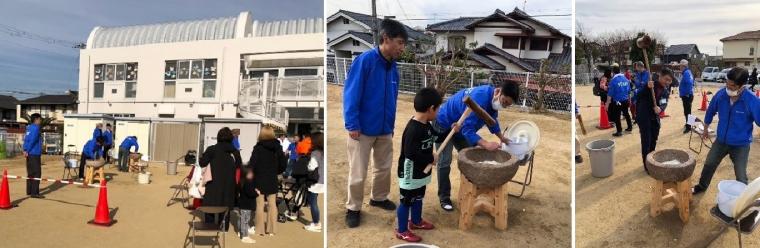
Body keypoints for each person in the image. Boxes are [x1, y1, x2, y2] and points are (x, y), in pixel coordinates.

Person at [343, 18, 407, 228]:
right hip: (361, 129)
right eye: (399, 42)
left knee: (383, 168)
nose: (401, 47)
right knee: (358, 171)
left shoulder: (393, 67)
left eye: (403, 44)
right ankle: (353, 208)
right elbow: (351, 94)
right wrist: (352, 124)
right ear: (385, 39)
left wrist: (390, 125)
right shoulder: (365, 61)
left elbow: (393, 97)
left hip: (384, 129)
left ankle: (378, 198)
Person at [433, 81, 518, 211]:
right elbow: (467, 129)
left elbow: (491, 120)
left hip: (459, 127)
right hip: (444, 122)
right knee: (444, 162)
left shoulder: (492, 100)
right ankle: (444, 197)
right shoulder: (481, 97)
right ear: (498, 91)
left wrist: (501, 138)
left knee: (469, 157)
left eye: (507, 105)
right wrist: (486, 144)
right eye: (504, 102)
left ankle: (469, 190)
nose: (504, 106)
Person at [693, 67, 760, 194]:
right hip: (721, 140)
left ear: (742, 86)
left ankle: (742, 199)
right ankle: (702, 186)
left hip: (741, 144)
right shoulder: (721, 94)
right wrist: (705, 129)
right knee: (709, 164)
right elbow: (711, 110)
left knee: (741, 175)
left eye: (732, 86)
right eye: (727, 84)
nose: (728, 88)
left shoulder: (751, 100)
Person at [395, 88, 445, 242]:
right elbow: (410, 153)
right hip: (410, 172)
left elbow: (436, 136)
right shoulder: (413, 129)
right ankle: (402, 230)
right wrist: (430, 158)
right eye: (438, 108)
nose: (438, 111)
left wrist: (453, 130)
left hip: (421, 172)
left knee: (418, 197)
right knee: (407, 200)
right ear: (431, 109)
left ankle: (416, 221)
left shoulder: (426, 125)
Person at [199, 127, 243, 226]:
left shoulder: (212, 149)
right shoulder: (235, 151)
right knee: (226, 205)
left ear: (218, 137)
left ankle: (209, 226)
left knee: (210, 205)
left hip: (213, 184)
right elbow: (238, 165)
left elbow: (202, 163)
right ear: (231, 138)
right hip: (228, 184)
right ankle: (224, 227)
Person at [249, 126, 286, 236]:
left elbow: (252, 164)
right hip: (272, 178)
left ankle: (259, 230)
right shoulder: (278, 147)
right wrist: (276, 171)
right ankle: (272, 230)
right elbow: (283, 164)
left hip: (259, 178)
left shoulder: (258, 148)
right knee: (272, 204)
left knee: (259, 205)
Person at [636, 68, 674, 174]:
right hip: (644, 117)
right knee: (646, 141)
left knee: (654, 139)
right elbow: (637, 96)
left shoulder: (666, 90)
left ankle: (651, 159)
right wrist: (646, 88)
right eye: (666, 79)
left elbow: (664, 102)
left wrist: (660, 108)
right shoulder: (650, 85)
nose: (667, 82)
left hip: (655, 118)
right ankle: (647, 165)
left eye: (670, 80)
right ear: (660, 76)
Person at [304, 132, 324, 232]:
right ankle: (316, 222)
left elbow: (311, 167)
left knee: (313, 203)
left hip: (316, 181)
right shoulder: (324, 150)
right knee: (314, 201)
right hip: (322, 179)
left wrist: (306, 165)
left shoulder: (316, 152)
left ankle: (316, 223)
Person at [606, 64, 633, 137]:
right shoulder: (626, 79)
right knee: (626, 113)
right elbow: (629, 91)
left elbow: (610, 94)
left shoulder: (613, 81)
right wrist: (629, 100)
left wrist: (607, 104)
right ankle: (630, 127)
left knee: (617, 116)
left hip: (618, 102)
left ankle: (619, 131)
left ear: (613, 72)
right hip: (626, 100)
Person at [22, 113, 43, 198]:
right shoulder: (36, 128)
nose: (40, 121)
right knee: (37, 173)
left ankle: (29, 191)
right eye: (40, 119)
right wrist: (28, 150)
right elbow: (33, 140)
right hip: (34, 153)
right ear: (37, 119)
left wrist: (25, 150)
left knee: (30, 172)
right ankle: (35, 193)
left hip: (29, 153)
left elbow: (26, 139)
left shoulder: (29, 128)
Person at [237, 166, 257, 244]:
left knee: (241, 219)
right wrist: (256, 192)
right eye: (250, 173)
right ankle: (244, 236)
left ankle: (240, 232)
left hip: (242, 204)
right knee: (245, 221)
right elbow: (250, 193)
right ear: (246, 174)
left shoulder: (241, 182)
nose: (252, 174)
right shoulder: (248, 182)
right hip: (247, 205)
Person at [679, 60, 695, 134]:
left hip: (687, 95)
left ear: (683, 66)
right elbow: (692, 83)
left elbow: (689, 83)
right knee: (688, 111)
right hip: (688, 94)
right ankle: (689, 124)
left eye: (680, 66)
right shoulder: (688, 72)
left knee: (687, 111)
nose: (680, 67)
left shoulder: (686, 73)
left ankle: (689, 127)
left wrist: (687, 93)